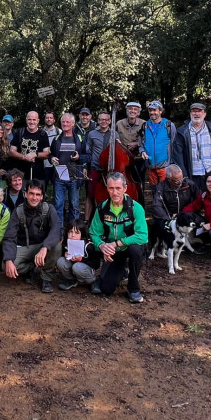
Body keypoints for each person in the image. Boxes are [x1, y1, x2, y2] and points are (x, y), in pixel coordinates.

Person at [90, 172, 149, 303]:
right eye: (111, 188)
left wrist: (117, 243)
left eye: (118, 188)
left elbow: (143, 236)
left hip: (128, 247)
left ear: (125, 188)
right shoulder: (102, 208)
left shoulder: (136, 208)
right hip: (113, 251)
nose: (115, 192)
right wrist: (102, 245)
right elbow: (94, 233)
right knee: (106, 289)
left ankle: (133, 288)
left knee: (135, 250)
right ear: (107, 189)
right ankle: (122, 271)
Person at [1, 180, 62, 293]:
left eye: (38, 194)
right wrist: (9, 259)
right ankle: (31, 268)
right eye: (31, 193)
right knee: (6, 266)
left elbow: (56, 228)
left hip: (43, 246)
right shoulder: (18, 211)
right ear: (25, 194)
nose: (34, 198)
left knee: (57, 245)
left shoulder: (49, 209)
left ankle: (46, 278)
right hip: (25, 247)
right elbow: (9, 237)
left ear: (42, 196)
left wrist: (45, 247)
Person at [174, 103, 211, 189]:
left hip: (209, 172)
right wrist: (184, 175)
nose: (196, 114)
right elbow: (177, 155)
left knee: (209, 200)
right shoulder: (182, 132)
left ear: (204, 114)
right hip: (192, 174)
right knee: (194, 200)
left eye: (199, 111)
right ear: (190, 114)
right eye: (194, 111)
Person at [50, 113, 87, 224]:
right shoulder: (56, 139)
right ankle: (59, 231)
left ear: (73, 124)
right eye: (63, 122)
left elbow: (88, 156)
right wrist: (52, 159)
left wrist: (79, 157)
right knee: (58, 205)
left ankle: (73, 231)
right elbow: (50, 155)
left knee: (74, 205)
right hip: (59, 176)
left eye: (67, 122)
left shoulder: (80, 139)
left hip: (74, 177)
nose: (65, 124)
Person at [139, 100, 177, 186]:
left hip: (165, 166)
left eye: (155, 110)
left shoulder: (169, 125)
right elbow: (141, 143)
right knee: (154, 191)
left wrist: (172, 162)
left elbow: (174, 143)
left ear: (160, 111)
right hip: (150, 166)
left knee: (166, 189)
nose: (152, 112)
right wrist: (142, 151)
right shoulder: (145, 126)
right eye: (150, 110)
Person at [56, 219, 102, 292]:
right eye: (70, 232)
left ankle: (92, 281)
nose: (73, 235)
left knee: (77, 266)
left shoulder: (88, 246)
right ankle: (71, 280)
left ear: (82, 234)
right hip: (73, 268)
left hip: (85, 269)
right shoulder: (66, 242)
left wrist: (82, 260)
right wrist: (64, 254)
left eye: (77, 233)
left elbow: (96, 264)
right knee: (61, 261)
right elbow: (62, 254)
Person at [84, 111, 113, 220]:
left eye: (106, 119)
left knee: (110, 194)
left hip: (110, 169)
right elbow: (88, 152)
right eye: (101, 119)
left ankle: (109, 219)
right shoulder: (92, 134)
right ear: (98, 121)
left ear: (110, 121)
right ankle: (86, 220)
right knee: (90, 195)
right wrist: (85, 167)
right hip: (95, 167)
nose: (103, 121)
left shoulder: (114, 134)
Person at [11, 111, 51, 182]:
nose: (31, 122)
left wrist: (35, 154)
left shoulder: (43, 134)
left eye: (34, 120)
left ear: (38, 121)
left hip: (38, 175)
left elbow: (47, 154)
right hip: (21, 175)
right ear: (26, 120)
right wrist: (24, 157)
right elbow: (11, 151)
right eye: (29, 119)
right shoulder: (20, 132)